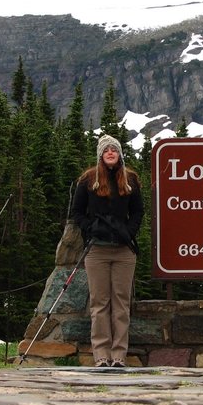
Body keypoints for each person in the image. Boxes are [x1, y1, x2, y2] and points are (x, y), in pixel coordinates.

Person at [71, 134, 144, 368]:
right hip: (97, 251)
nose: (110, 152)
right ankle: (101, 355)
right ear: (100, 155)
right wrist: (91, 229)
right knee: (99, 303)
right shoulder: (88, 180)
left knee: (121, 303)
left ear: (120, 154)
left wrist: (128, 231)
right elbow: (77, 212)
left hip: (124, 251)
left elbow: (138, 212)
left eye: (114, 149)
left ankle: (119, 356)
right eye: (106, 150)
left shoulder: (130, 179)